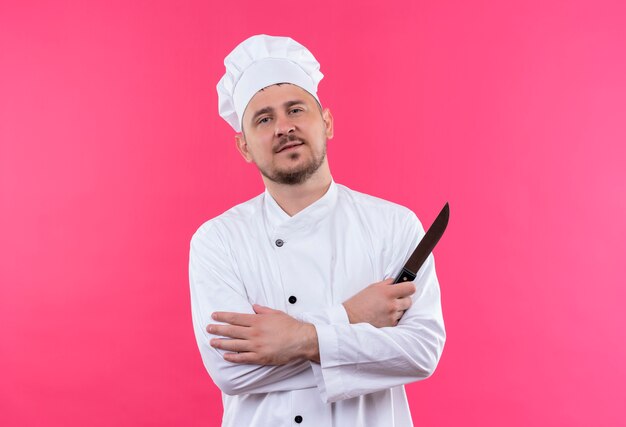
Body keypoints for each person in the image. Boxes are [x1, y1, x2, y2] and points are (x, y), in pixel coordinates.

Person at [189, 34, 446, 427]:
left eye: (296, 109)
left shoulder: (394, 225)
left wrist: (294, 340)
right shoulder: (217, 240)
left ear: (326, 122)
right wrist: (352, 316)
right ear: (243, 147)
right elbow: (233, 373)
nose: (283, 127)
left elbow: (419, 352)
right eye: (264, 118)